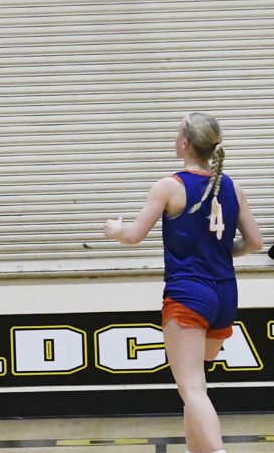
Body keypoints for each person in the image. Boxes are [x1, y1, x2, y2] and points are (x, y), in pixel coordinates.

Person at [103, 113, 262, 453]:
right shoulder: (232, 187)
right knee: (194, 386)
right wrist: (219, 251)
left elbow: (134, 235)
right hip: (224, 294)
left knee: (192, 389)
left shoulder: (170, 186)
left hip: (189, 293)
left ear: (186, 143)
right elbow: (255, 242)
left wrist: (115, 230)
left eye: (178, 132)